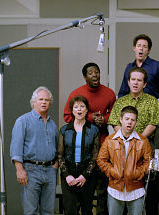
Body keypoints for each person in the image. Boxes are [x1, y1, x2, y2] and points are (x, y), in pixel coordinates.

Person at [63, 62, 116, 214]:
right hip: (82, 149)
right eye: (91, 73)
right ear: (85, 76)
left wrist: (104, 119)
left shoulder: (109, 93)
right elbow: (67, 116)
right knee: (81, 191)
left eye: (97, 72)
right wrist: (91, 118)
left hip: (104, 146)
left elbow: (114, 114)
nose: (95, 75)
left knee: (103, 190)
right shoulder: (76, 94)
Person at [10, 86, 59, 215]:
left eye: (47, 100)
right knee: (31, 211)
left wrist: (55, 165)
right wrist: (19, 170)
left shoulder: (52, 124)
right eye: (41, 99)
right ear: (34, 102)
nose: (44, 102)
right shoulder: (23, 121)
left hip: (50, 171)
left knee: (48, 211)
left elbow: (57, 146)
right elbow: (16, 147)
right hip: (31, 171)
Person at [97, 106, 152, 215]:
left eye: (132, 120)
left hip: (136, 190)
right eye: (127, 119)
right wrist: (113, 171)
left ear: (136, 122)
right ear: (121, 119)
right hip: (115, 190)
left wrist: (137, 173)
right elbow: (101, 160)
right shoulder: (110, 140)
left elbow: (148, 162)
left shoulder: (143, 141)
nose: (129, 122)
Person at [58, 95, 100, 215]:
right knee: (70, 210)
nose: (79, 109)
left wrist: (85, 175)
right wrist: (67, 175)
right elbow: (60, 155)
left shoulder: (94, 130)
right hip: (69, 174)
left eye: (82, 106)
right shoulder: (64, 130)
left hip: (88, 175)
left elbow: (95, 155)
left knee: (87, 209)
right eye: (76, 107)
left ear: (87, 110)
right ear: (72, 111)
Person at [109, 67, 159, 139]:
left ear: (144, 84)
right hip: (122, 142)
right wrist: (126, 138)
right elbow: (115, 122)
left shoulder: (152, 101)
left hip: (145, 142)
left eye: (139, 80)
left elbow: (154, 123)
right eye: (133, 79)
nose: (135, 83)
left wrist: (139, 140)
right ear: (128, 82)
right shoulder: (120, 101)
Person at [118, 34, 159, 99]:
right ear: (134, 48)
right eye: (139, 46)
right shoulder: (129, 67)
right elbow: (123, 91)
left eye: (144, 46)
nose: (141, 48)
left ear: (148, 50)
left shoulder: (158, 66)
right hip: (132, 107)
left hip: (153, 106)